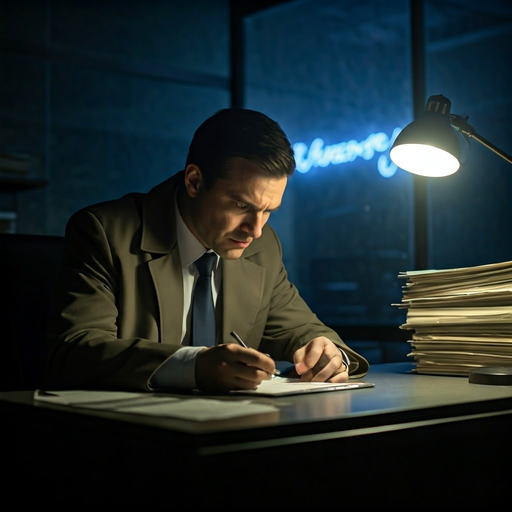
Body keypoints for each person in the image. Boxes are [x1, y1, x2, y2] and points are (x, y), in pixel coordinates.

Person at [43, 108, 369, 393]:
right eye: (242, 205)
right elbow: (76, 351)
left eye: (269, 210)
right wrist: (193, 367)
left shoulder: (263, 246)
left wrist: (328, 355)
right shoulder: (105, 232)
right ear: (195, 181)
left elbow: (303, 330)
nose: (255, 230)